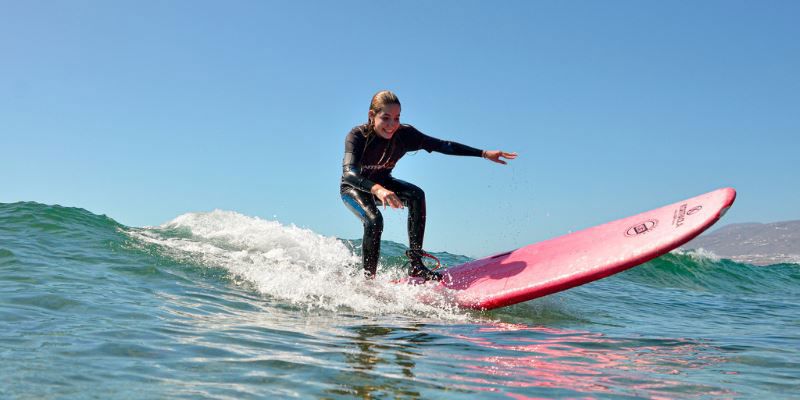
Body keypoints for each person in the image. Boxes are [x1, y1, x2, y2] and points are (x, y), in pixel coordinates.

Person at [340, 90, 517, 281]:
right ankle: (368, 281)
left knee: (417, 195)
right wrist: (378, 189)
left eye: (397, 118)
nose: (392, 125)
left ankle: (416, 265)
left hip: (384, 184)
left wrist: (483, 153)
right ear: (371, 115)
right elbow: (349, 174)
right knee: (374, 221)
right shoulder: (357, 136)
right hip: (354, 188)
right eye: (386, 118)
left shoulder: (405, 135)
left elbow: (443, 145)